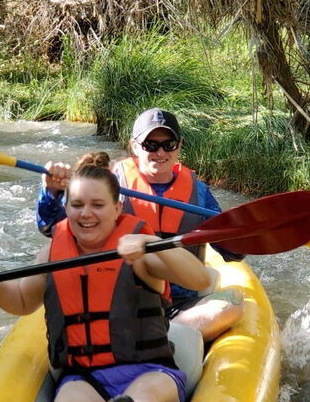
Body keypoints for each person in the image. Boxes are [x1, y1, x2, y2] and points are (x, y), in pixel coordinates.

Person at [0, 152, 212, 402]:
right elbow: (21, 301)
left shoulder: (139, 252)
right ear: (66, 208)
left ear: (117, 208)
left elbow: (200, 279)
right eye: (77, 205)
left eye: (97, 205)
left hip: (151, 373)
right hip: (86, 377)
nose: (86, 213)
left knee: (142, 399)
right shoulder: (53, 252)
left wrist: (151, 242)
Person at [35, 108, 244, 342]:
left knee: (233, 303)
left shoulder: (199, 192)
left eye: (169, 144)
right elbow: (54, 227)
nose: (160, 152)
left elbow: (232, 252)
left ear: (179, 145)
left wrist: (243, 234)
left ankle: (163, 334)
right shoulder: (109, 183)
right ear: (135, 146)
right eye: (150, 145)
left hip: (181, 305)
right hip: (122, 302)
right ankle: (162, 338)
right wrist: (52, 191)